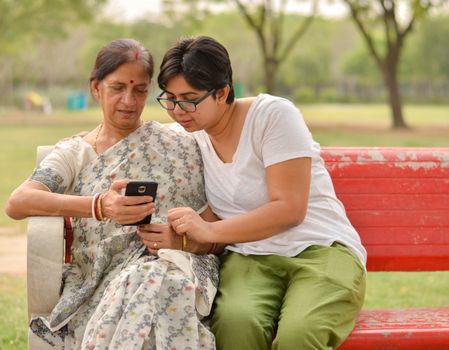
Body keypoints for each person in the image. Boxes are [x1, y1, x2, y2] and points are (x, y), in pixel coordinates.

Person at [5, 38, 220, 350]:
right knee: (149, 287)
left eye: (140, 89)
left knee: (159, 280)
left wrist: (179, 238)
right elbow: (18, 202)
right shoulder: (75, 154)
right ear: (96, 88)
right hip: (103, 276)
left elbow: (212, 220)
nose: (129, 100)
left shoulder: (178, 145)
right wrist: (100, 206)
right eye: (118, 88)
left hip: (179, 265)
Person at [155, 36, 367, 350]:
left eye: (189, 98)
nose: (177, 110)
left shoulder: (273, 116)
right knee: (236, 324)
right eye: (169, 98)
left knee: (299, 335)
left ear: (223, 92)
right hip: (251, 257)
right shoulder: (190, 137)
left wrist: (209, 229)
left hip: (320, 248)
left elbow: (290, 209)